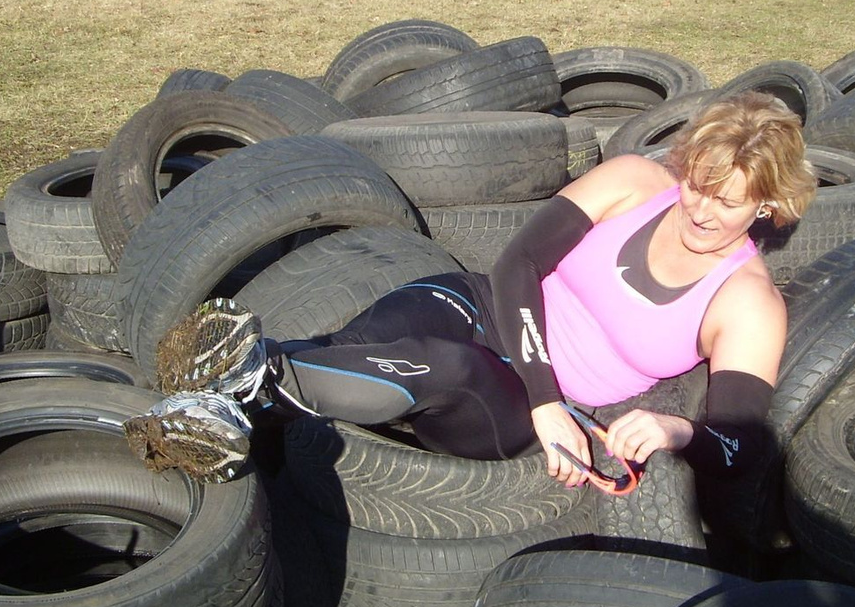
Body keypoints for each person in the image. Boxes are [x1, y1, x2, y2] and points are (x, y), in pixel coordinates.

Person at [124, 89, 817, 489]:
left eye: (727, 203)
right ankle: (221, 412)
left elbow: (744, 446)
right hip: (483, 304)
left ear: (767, 205)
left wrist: (672, 428)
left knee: (445, 367)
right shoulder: (636, 181)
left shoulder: (747, 303)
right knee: (358, 347)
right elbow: (517, 264)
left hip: (514, 400)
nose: (699, 210)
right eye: (697, 185)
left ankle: (244, 377)